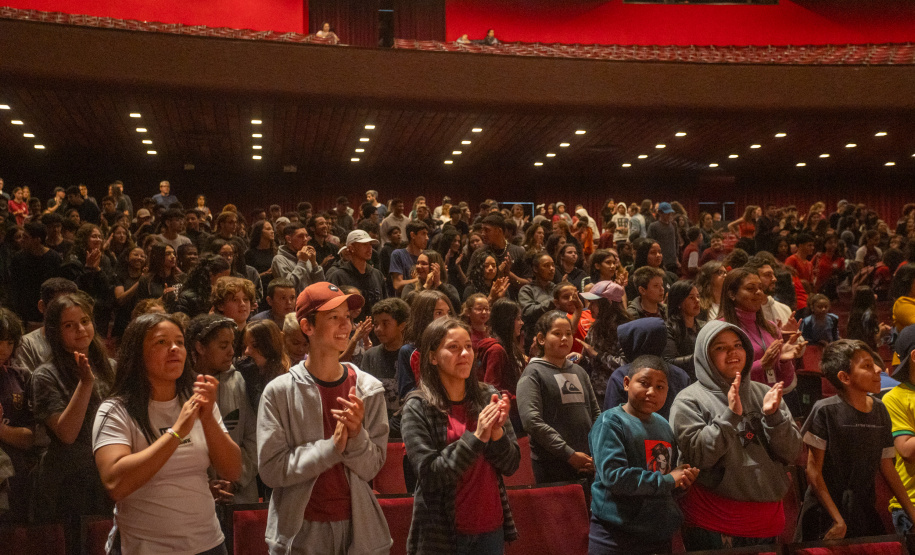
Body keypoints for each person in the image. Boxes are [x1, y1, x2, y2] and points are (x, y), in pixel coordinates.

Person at [256, 282, 392, 555]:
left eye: (348, 317)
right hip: (300, 532)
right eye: (334, 318)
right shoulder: (280, 391)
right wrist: (331, 447)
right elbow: (271, 469)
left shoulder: (369, 388)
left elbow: (371, 468)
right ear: (307, 327)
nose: (346, 326)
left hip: (358, 530)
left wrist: (356, 438)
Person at [93, 313, 242, 553]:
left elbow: (232, 470)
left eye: (180, 342)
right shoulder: (115, 410)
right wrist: (176, 432)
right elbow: (115, 484)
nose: (174, 349)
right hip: (144, 547)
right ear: (137, 354)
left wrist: (208, 420)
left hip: (208, 543)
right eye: (161, 342)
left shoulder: (198, 401)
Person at [670, 321, 801, 550]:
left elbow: (792, 452)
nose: (732, 352)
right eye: (720, 348)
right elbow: (699, 457)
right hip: (714, 520)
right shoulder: (688, 400)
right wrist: (730, 416)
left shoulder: (763, 393)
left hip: (767, 521)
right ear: (705, 356)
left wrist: (773, 418)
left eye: (738, 345)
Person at [400, 317, 518, 555]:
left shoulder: (488, 396)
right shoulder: (418, 406)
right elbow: (430, 475)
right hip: (443, 532)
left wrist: (496, 433)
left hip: (490, 527)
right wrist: (476, 438)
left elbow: (511, 464)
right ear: (432, 357)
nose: (464, 353)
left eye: (468, 347)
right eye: (453, 347)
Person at [797, 339, 915, 541]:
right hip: (825, 513)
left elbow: (887, 468)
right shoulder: (825, 410)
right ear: (844, 377)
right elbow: (813, 470)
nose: (879, 369)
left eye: (875, 364)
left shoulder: (880, 410)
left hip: (862, 511)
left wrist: (913, 514)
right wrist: (837, 520)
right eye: (867, 366)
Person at [588, 354, 698, 555]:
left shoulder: (663, 425)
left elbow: (665, 477)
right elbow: (615, 477)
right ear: (627, 383)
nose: (651, 392)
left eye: (660, 387)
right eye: (644, 383)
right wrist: (668, 481)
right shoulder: (611, 422)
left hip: (656, 532)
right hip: (616, 534)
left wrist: (681, 482)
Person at [31, 293, 116, 540]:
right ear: (55, 332)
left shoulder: (110, 367)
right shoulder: (45, 375)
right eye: (69, 325)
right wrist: (85, 383)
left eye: (85, 321)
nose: (80, 329)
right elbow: (67, 434)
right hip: (67, 484)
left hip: (108, 476)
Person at [518, 310, 600, 484]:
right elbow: (532, 421)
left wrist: (597, 451)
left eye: (568, 334)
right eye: (557, 334)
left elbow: (595, 414)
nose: (564, 338)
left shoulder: (579, 371)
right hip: (552, 465)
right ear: (541, 339)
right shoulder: (533, 373)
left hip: (587, 462)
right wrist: (569, 454)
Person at [186, 314, 259, 505]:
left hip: (241, 496)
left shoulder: (241, 381)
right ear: (200, 347)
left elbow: (254, 438)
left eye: (232, 345)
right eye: (223, 346)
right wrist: (203, 485)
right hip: (196, 499)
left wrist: (235, 480)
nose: (231, 352)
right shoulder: (183, 387)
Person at [604, 318, 691, 421]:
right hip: (671, 435)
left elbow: (610, 419)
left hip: (629, 436)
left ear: (636, 341)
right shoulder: (681, 375)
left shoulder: (621, 375)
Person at [0, 308, 36, 522]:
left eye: (9, 343)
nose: (3, 349)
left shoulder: (21, 376)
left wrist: (2, 430)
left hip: (15, 473)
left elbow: (30, 438)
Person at [361, 298, 410, 435]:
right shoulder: (370, 355)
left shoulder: (412, 355)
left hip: (406, 430)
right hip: (377, 430)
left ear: (402, 325)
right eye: (376, 324)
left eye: (385, 323)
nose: (378, 329)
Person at [396, 290, 454, 399]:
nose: (447, 318)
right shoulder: (409, 351)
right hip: (425, 410)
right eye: (439, 313)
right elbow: (407, 394)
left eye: (449, 313)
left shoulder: (455, 347)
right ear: (424, 316)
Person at [328, 230, 386, 321]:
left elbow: (384, 305)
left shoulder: (377, 274)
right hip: (349, 331)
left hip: (376, 332)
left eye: (370, 244)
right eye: (364, 245)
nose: (369, 248)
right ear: (351, 248)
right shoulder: (338, 276)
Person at [664, 280, 705, 381]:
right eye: (691, 297)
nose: (697, 300)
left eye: (698, 296)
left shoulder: (704, 326)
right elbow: (669, 362)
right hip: (682, 380)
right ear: (679, 302)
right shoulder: (667, 328)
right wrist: (703, 357)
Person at [271, 222, 324, 295]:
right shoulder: (279, 259)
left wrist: (314, 263)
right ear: (288, 239)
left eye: (306, 236)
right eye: (300, 236)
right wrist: (301, 262)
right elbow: (289, 286)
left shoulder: (305, 256)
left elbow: (321, 285)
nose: (305, 239)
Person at [390, 221, 429, 295]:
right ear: (413, 235)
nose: (427, 238)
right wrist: (420, 279)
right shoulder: (398, 254)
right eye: (423, 234)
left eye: (427, 234)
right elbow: (397, 285)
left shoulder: (426, 255)